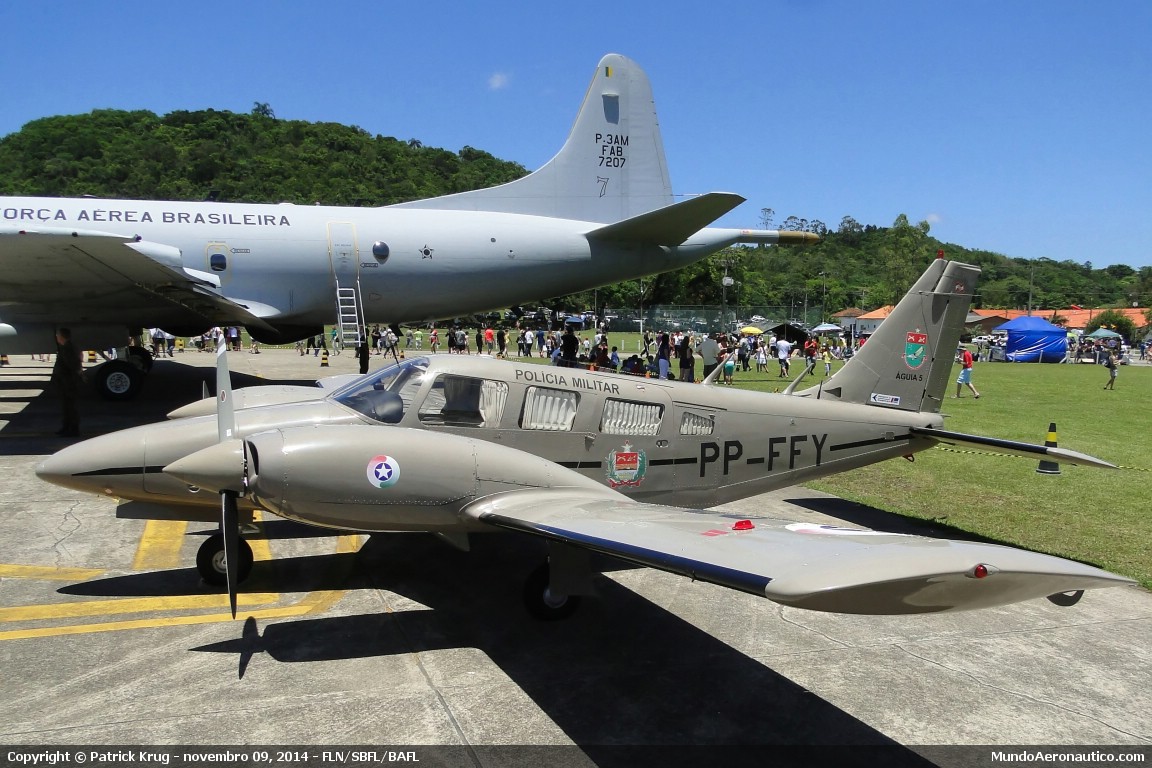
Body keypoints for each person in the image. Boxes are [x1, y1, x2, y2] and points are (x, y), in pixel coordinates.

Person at [51, 327, 82, 437]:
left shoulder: (68, 349)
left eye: (57, 335)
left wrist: (71, 381)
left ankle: (73, 429)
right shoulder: (64, 347)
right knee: (66, 407)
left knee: (70, 407)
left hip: (68, 383)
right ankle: (66, 427)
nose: (56, 337)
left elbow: (73, 366)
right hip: (65, 383)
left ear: (61, 337)